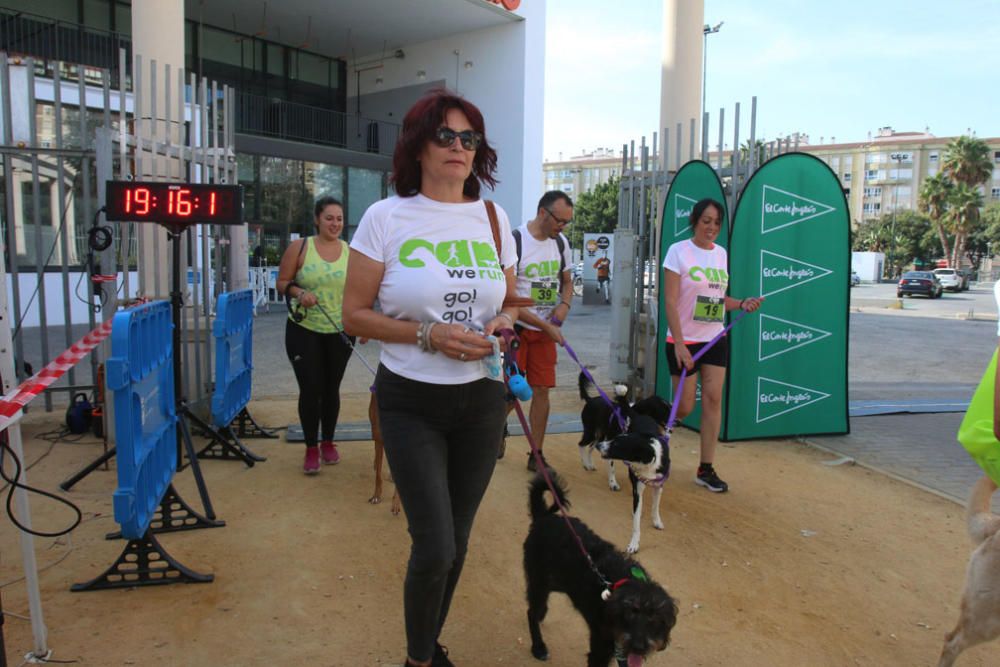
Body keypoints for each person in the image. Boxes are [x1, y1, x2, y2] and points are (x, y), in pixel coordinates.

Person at [342, 88, 520, 667]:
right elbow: (354, 315)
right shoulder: (384, 217)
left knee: (459, 540)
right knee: (435, 544)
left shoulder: (495, 217)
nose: (458, 147)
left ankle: (428, 645)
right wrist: (428, 334)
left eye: (469, 138)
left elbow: (512, 300)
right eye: (445, 135)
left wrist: (504, 319)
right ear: (418, 145)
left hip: (483, 399)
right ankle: (419, 659)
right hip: (411, 400)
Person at [662, 198, 762, 493]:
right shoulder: (677, 252)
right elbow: (669, 300)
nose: (712, 227)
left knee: (714, 399)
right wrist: (679, 343)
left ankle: (706, 467)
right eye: (706, 221)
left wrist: (741, 303)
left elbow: (718, 301)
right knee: (683, 407)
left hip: (715, 337)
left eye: (717, 222)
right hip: (684, 340)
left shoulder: (721, 254)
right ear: (694, 221)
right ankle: (649, 425)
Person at [276, 197, 354, 474]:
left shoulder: (350, 252)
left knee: (331, 389)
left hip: (339, 331)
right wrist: (299, 293)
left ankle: (329, 442)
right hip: (303, 329)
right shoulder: (300, 247)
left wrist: (362, 325)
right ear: (317, 219)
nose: (335, 223)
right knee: (311, 388)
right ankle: (311, 447)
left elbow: (358, 291)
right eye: (329, 218)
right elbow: (282, 282)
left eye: (339, 218)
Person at [506, 190, 574, 470]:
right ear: (543, 213)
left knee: (542, 390)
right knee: (512, 392)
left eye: (567, 223)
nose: (563, 227)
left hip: (546, 330)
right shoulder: (515, 241)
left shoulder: (561, 243)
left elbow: (567, 281)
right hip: (518, 329)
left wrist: (565, 305)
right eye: (560, 221)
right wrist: (545, 324)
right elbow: (506, 298)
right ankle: (496, 429)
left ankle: (537, 453)